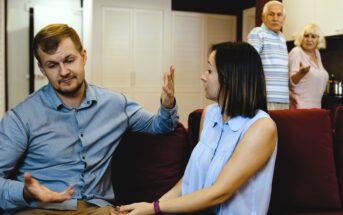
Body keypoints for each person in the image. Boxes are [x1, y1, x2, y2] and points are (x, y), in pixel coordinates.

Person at [0, 24, 178, 214]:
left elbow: (159, 127)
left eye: (69, 60)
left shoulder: (116, 104)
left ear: (83, 56)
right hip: (41, 208)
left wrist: (167, 105)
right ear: (42, 69)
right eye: (52, 65)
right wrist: (25, 192)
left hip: (96, 209)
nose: (64, 72)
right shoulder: (21, 117)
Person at [118, 42, 277, 215]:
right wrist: (152, 206)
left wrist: (154, 209)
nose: (203, 76)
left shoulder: (261, 127)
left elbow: (219, 193)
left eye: (209, 71)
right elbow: (189, 179)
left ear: (230, 77)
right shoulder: (209, 115)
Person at [247, 0, 289, 110]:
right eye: (271, 14)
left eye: (279, 15)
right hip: (265, 97)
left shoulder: (282, 37)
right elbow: (249, 61)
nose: (275, 18)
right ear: (263, 17)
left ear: (283, 19)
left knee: (281, 128)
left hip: (283, 97)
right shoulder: (258, 32)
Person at [288, 24, 328, 109]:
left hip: (316, 106)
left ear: (318, 39)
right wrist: (301, 73)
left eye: (313, 36)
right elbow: (292, 81)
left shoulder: (317, 53)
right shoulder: (296, 52)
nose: (309, 39)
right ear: (301, 38)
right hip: (300, 106)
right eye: (306, 36)